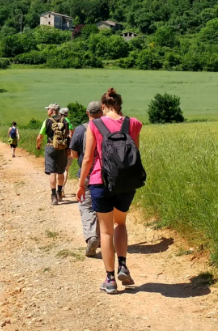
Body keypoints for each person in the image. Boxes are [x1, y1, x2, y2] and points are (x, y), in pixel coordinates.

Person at [76, 88, 143, 294]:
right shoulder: (133, 123)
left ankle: (110, 279)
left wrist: (80, 184)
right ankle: (123, 265)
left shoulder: (94, 125)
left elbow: (87, 158)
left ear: (103, 106)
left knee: (105, 231)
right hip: (126, 183)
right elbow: (135, 154)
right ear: (120, 105)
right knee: (120, 223)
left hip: (99, 181)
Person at [69, 101, 103, 257]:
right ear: (101, 112)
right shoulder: (107, 126)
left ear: (87, 112)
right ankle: (102, 237)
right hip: (105, 173)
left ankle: (91, 236)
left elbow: (74, 154)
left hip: (88, 173)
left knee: (86, 206)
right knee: (101, 207)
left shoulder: (81, 129)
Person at [36, 103, 70, 205]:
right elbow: (68, 136)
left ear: (51, 111)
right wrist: (68, 149)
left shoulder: (47, 121)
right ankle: (60, 192)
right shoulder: (65, 121)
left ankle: (54, 196)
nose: (48, 111)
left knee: (52, 172)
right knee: (61, 171)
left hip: (50, 147)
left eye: (48, 110)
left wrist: (38, 145)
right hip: (63, 148)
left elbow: (40, 136)